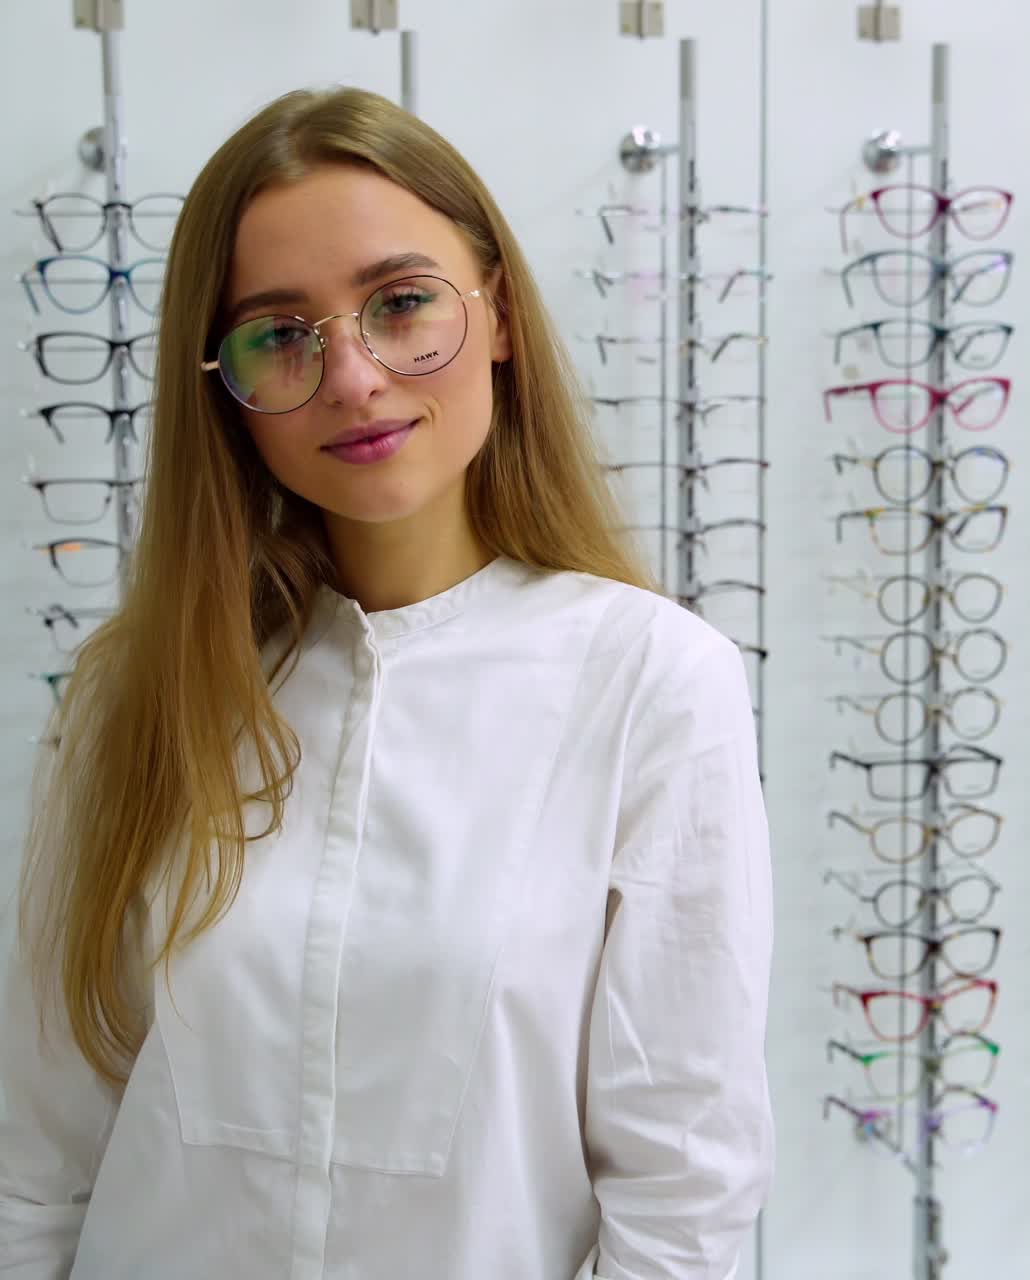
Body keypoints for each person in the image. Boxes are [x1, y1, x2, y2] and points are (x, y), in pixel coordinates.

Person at [0, 88, 773, 1278]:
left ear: (498, 314)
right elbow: (38, 1157)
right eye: (280, 332)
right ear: (224, 385)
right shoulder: (132, 695)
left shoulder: (649, 682)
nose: (352, 378)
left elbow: (684, 1184)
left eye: (402, 304)